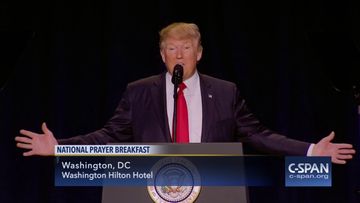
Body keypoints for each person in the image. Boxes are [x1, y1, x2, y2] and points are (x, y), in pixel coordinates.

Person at [15, 22, 355, 164]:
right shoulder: (139, 93)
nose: (179, 55)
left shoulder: (225, 92)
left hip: (215, 193)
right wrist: (61, 149)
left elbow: (259, 135)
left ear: (200, 52)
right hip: (152, 192)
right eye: (172, 49)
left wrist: (310, 150)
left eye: (186, 47)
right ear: (162, 55)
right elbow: (108, 136)